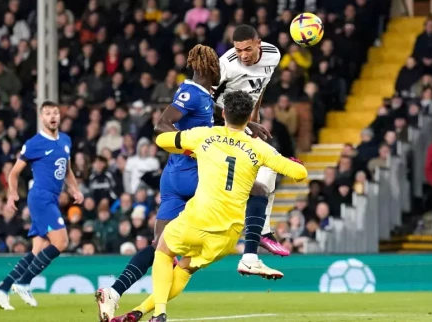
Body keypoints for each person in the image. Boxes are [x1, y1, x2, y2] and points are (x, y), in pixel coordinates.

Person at [97, 44, 273, 322]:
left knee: (160, 248)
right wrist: (191, 148)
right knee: (258, 189)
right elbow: (162, 126)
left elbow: (219, 115)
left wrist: (250, 125)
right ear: (208, 68)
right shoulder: (190, 93)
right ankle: (250, 253)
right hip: (192, 174)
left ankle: (114, 294)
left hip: (173, 178)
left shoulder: (203, 96)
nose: (221, 72)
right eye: (217, 67)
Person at [148, 90, 307, 322]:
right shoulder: (259, 147)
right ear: (248, 119)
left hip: (197, 218)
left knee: (163, 250)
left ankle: (159, 313)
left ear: (224, 113)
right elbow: (299, 173)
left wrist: (188, 148)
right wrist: (291, 162)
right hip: (227, 232)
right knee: (185, 269)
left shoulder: (204, 135)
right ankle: (142, 312)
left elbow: (162, 139)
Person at [0, 101, 84, 310]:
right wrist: (12, 193)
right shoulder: (34, 143)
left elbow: (66, 170)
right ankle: (23, 283)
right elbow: (14, 172)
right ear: (42, 118)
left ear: (60, 116)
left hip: (52, 199)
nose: (53, 116)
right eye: (48, 113)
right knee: (61, 242)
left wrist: (75, 190)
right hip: (40, 198)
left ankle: (2, 288)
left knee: (37, 249)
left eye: (56, 113)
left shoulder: (65, 140)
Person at [213, 24, 289, 275]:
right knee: (267, 166)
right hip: (223, 125)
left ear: (259, 43)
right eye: (238, 49)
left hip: (245, 123)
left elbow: (261, 88)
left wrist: (254, 120)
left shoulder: (273, 55)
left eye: (247, 49)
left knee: (269, 167)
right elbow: (205, 99)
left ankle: (261, 232)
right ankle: (259, 233)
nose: (243, 55)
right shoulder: (226, 64)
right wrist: (240, 122)